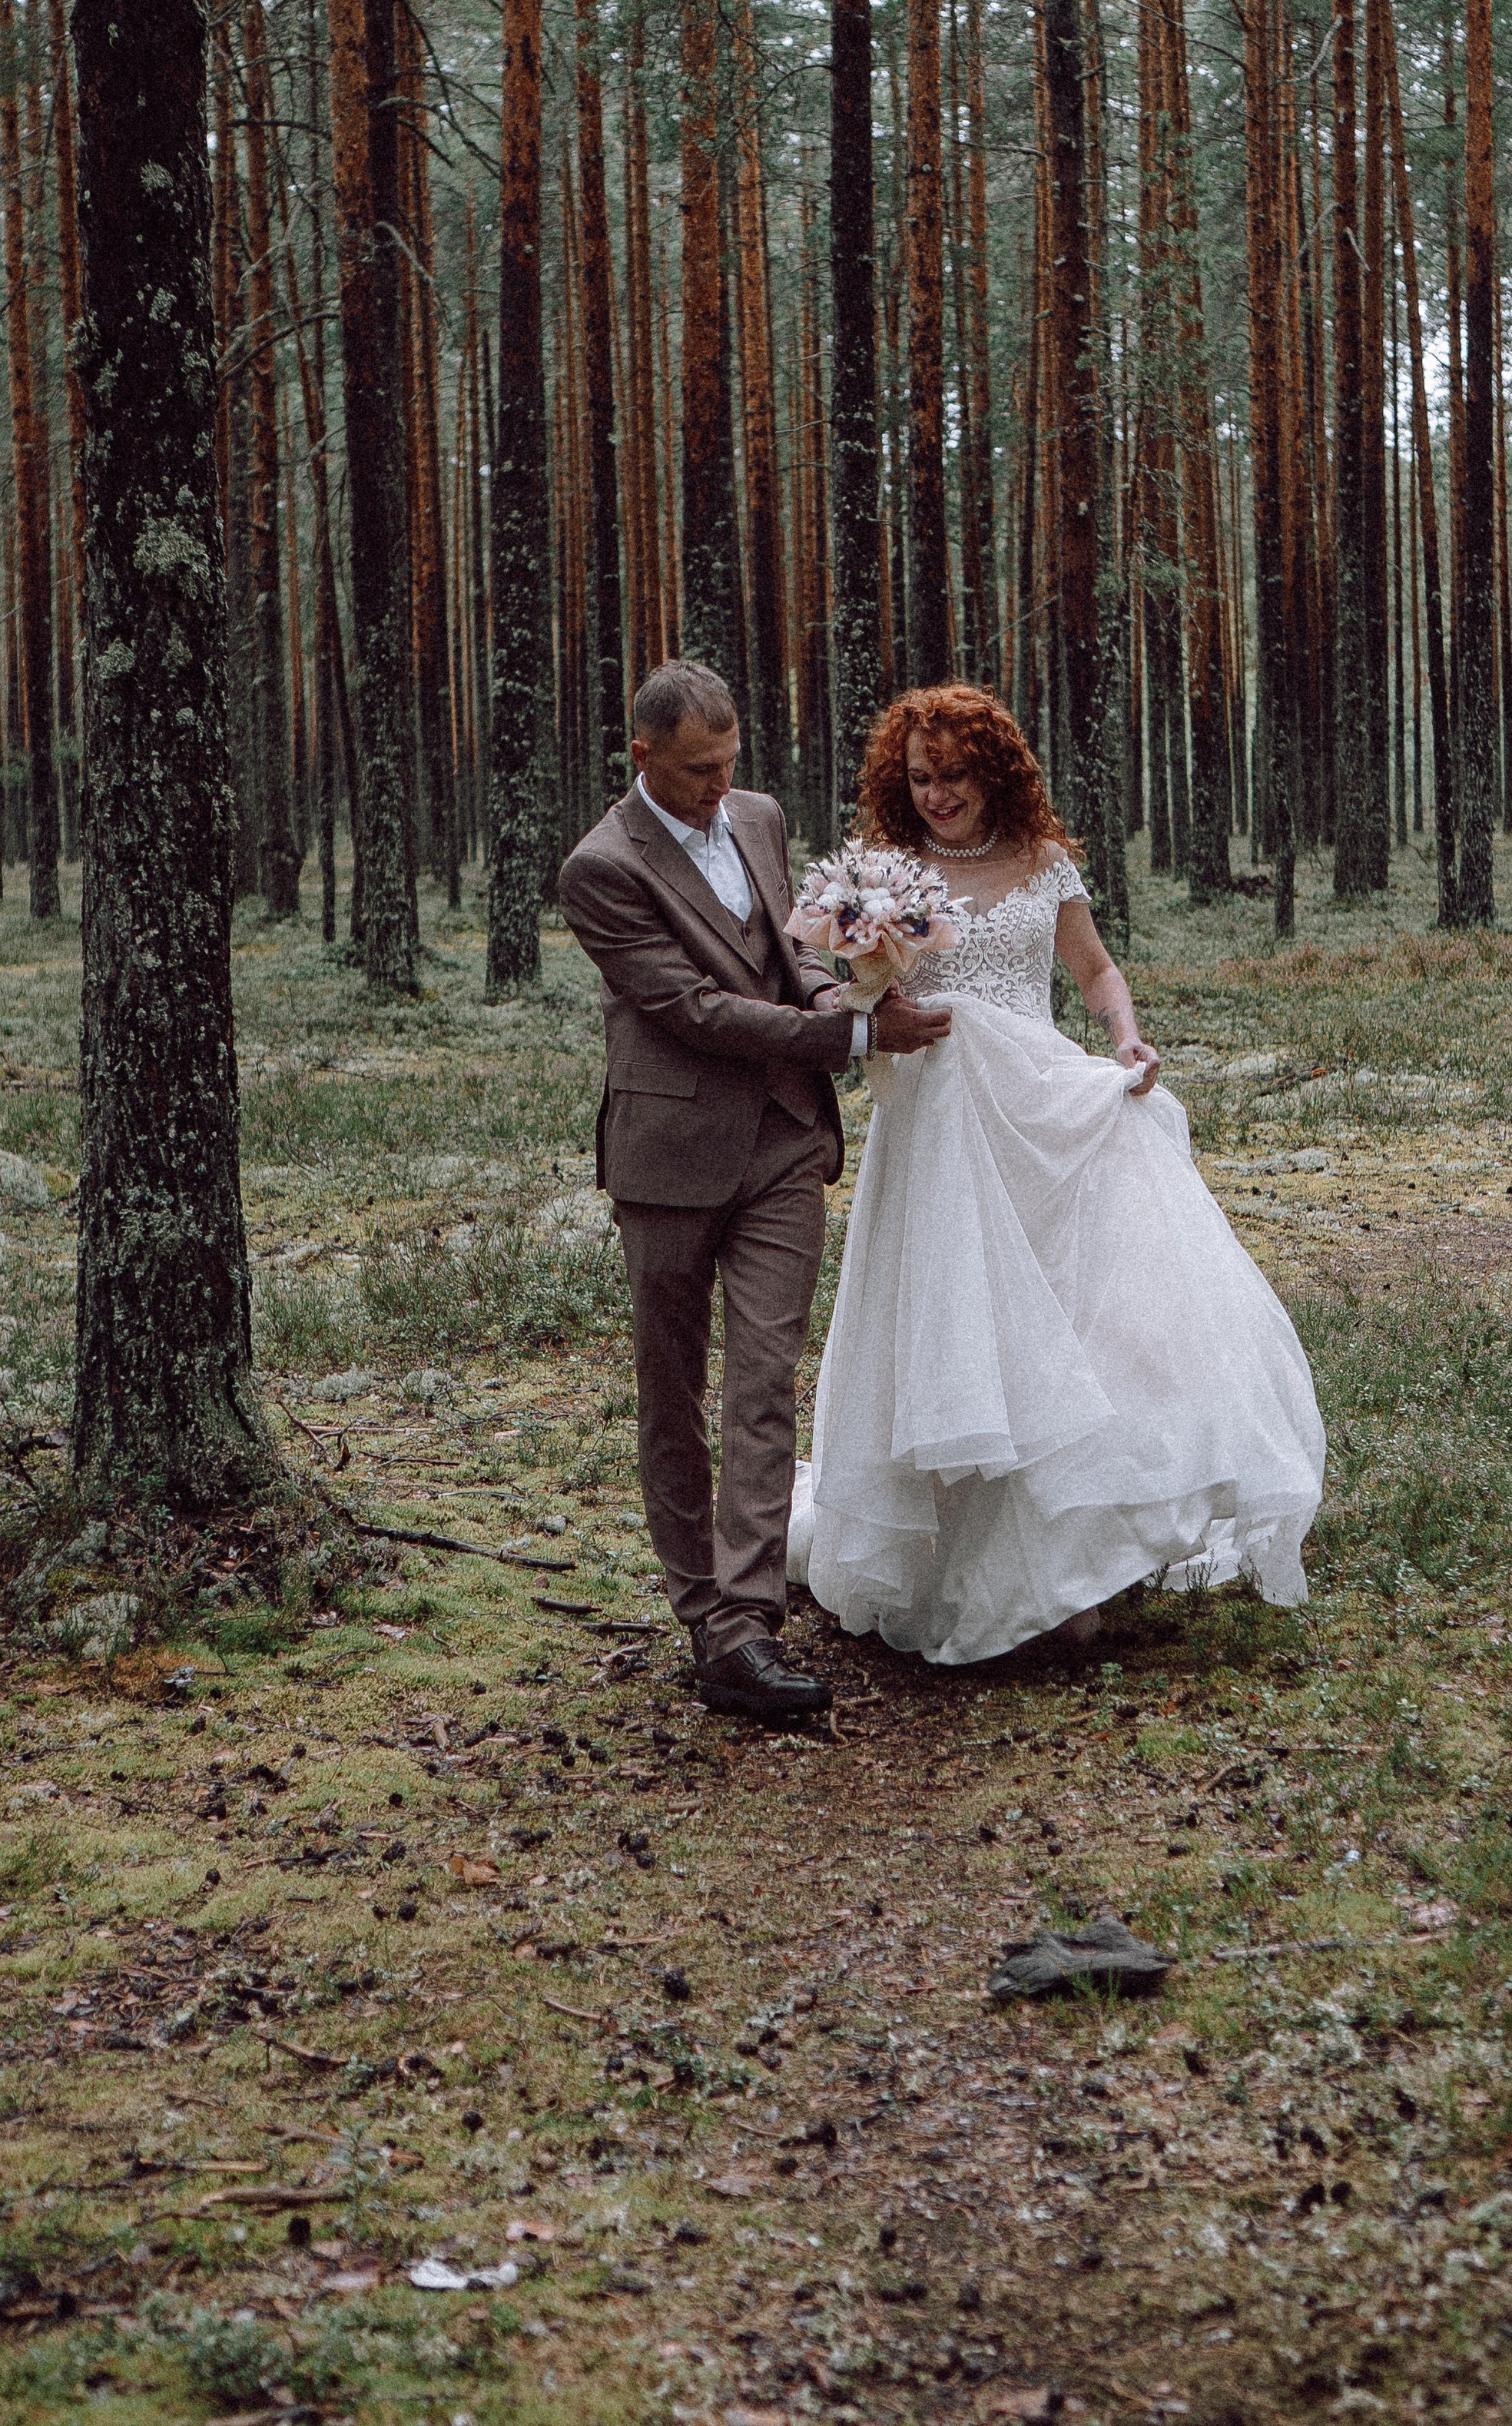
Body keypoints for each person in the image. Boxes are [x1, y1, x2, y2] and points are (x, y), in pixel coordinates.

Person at [793, 682, 1325, 1666]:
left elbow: (1096, 973)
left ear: (995, 772)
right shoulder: (881, 874)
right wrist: (863, 969)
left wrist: (1125, 1038)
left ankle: (1075, 1557)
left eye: (954, 775)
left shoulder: (1043, 866)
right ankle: (967, 1562)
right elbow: (843, 987)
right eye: (918, 778)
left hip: (1042, 1108)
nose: (936, 795)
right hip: (944, 1128)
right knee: (963, 1331)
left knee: (1084, 1324)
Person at [558, 660, 951, 1725]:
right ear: (642, 758)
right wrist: (854, 1033)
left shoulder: (762, 818)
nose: (717, 790)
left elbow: (786, 961)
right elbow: (693, 1011)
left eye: (730, 765)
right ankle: (702, 1615)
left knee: (767, 1376)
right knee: (673, 1387)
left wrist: (848, 982)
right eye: (695, 773)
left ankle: (748, 1623)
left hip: (783, 1139)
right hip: (669, 1158)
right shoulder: (599, 869)